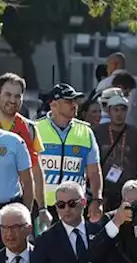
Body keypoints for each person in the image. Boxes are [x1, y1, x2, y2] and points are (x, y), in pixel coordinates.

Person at [35, 83, 104, 218]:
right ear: (53, 105)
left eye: (75, 100)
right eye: (68, 101)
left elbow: (94, 171)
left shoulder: (86, 132)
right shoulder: (36, 129)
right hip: (42, 206)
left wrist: (97, 199)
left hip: (74, 206)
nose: (74, 105)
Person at [0, 73, 50, 228]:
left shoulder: (30, 128)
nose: (13, 100)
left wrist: (43, 208)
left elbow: (36, 171)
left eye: (17, 96)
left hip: (16, 203)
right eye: (8, 95)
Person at [97, 91, 137, 212]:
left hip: (129, 189)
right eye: (115, 110)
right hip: (104, 190)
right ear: (108, 111)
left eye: (122, 110)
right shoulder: (97, 132)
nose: (119, 114)